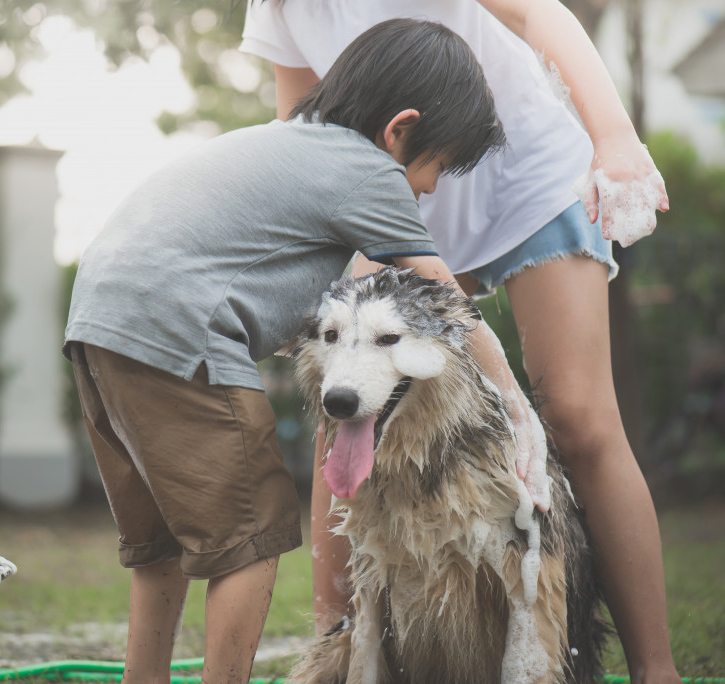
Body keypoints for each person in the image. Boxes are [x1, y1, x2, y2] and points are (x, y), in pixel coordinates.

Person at [241, 1, 680, 682]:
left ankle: (657, 671)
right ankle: (338, 652)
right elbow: (299, 124)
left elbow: (542, 15)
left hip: (524, 178)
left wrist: (614, 137)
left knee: (577, 416)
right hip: (394, 198)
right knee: (351, 405)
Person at [64, 18, 513, 684]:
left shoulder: (288, 145)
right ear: (400, 130)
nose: (428, 191)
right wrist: (515, 410)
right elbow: (448, 306)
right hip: (183, 326)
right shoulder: (367, 171)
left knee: (160, 543)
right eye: (437, 168)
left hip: (99, 320)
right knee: (252, 536)